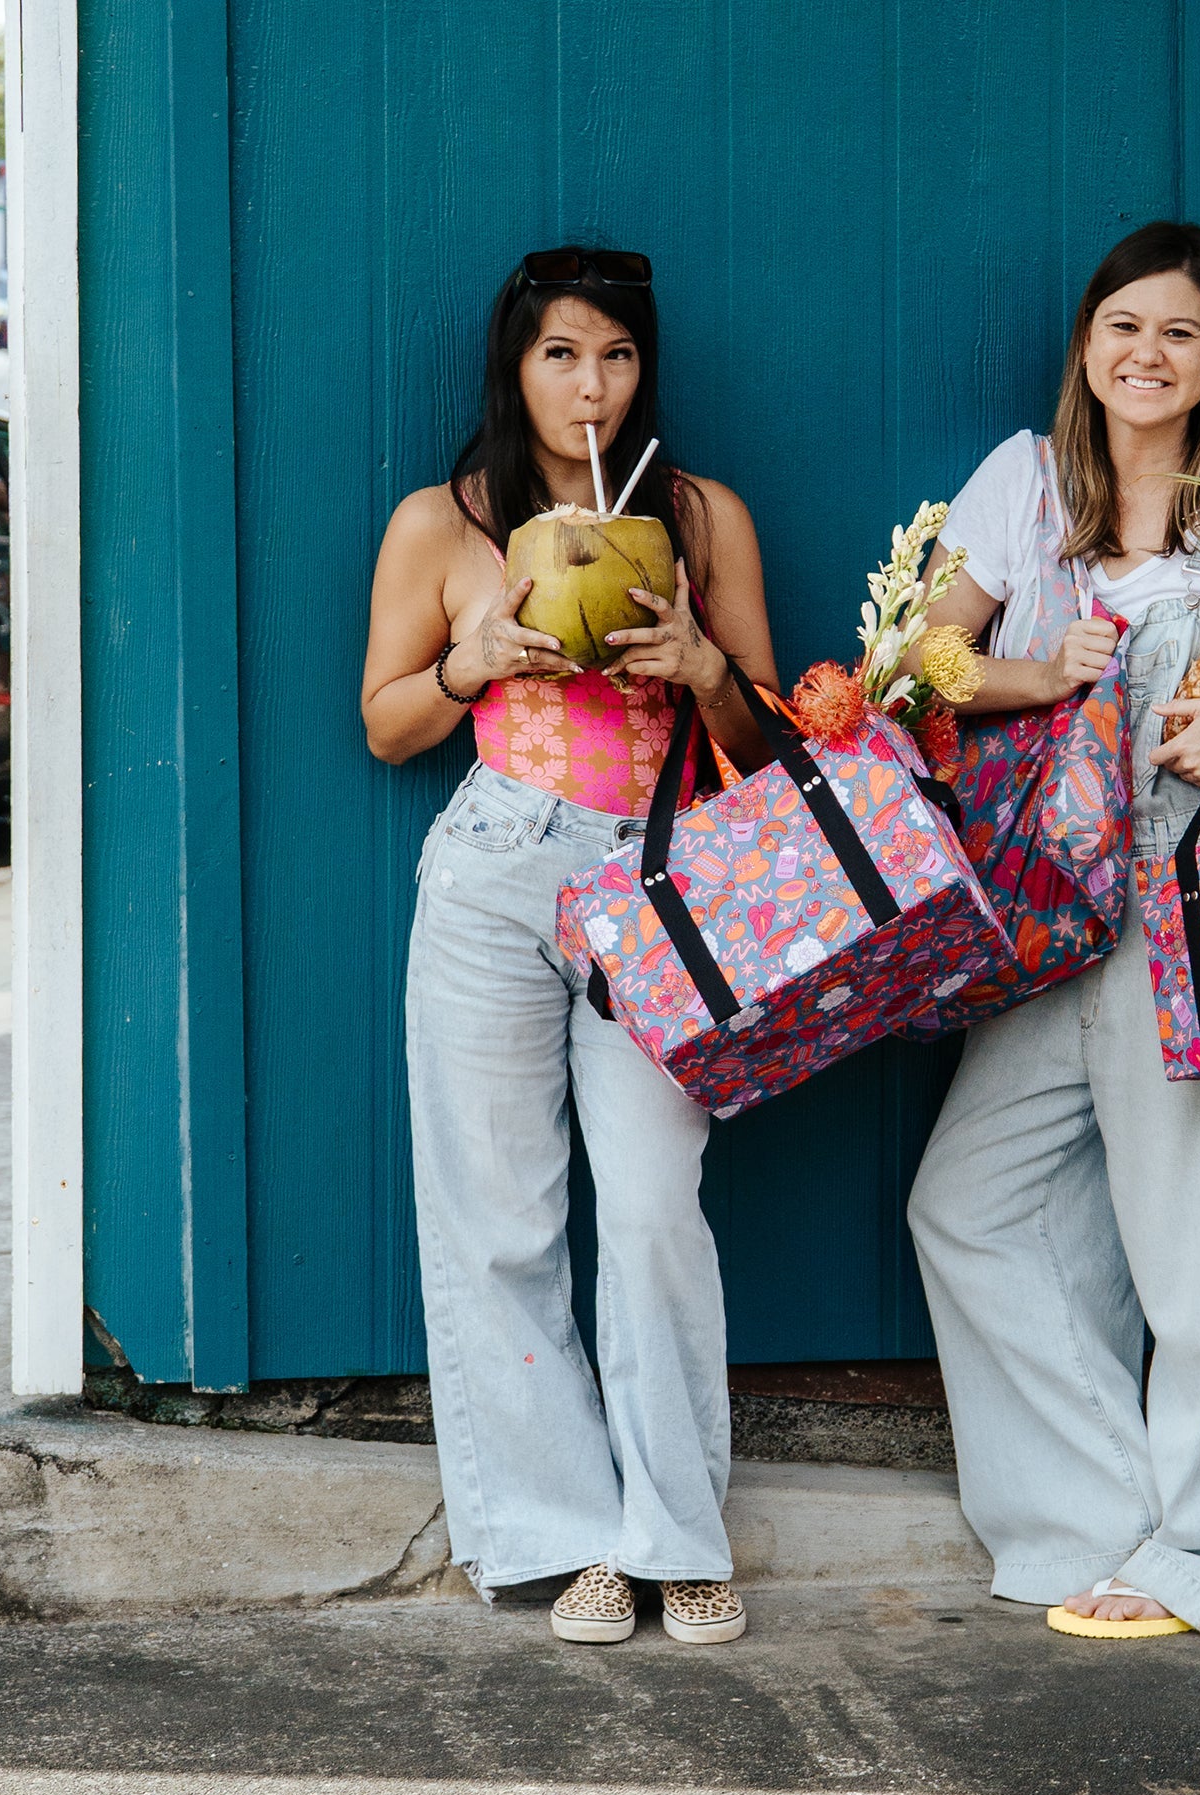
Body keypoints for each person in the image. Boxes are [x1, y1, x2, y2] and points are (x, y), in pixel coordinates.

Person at [905, 221, 1200, 1637]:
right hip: (1049, 907)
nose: (1147, 354)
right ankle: (1107, 1515)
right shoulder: (1026, 481)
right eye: (1123, 326)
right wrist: (1041, 671)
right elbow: (925, 662)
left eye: (1178, 332)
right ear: (1086, 345)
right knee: (970, 1204)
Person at [362, 247, 778, 1645]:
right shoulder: (447, 523)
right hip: (496, 866)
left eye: (615, 354)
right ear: (517, 365)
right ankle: (566, 1537)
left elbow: (767, 746)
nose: (589, 384)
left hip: (657, 880)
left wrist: (705, 671)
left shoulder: (698, 517)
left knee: (653, 1205)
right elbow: (386, 723)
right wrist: (468, 664)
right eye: (561, 354)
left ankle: (678, 1536)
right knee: (497, 1215)